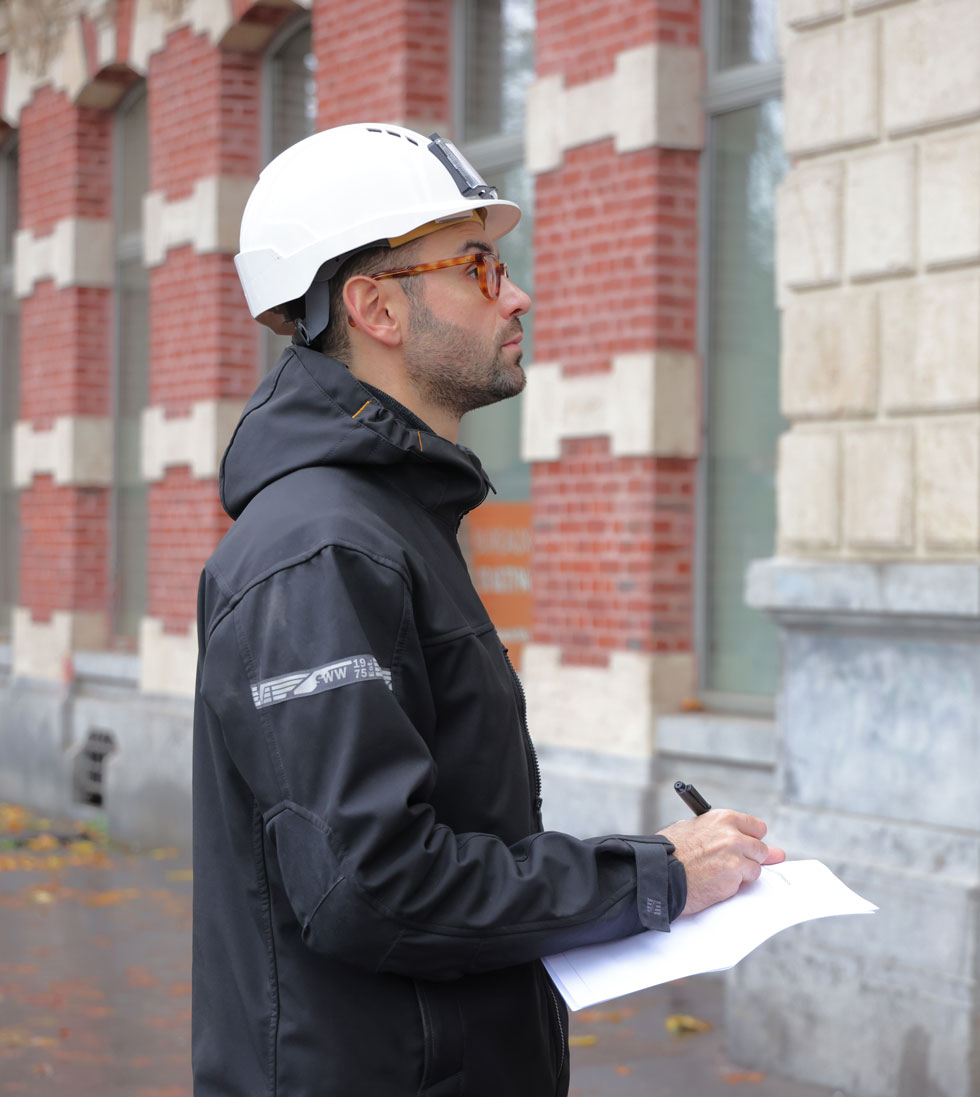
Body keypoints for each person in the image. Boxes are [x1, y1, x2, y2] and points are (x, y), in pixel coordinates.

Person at [191, 122, 785, 1097]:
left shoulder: (387, 521)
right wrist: (658, 873)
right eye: (478, 266)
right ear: (377, 307)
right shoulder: (323, 549)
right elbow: (372, 884)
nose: (517, 295)